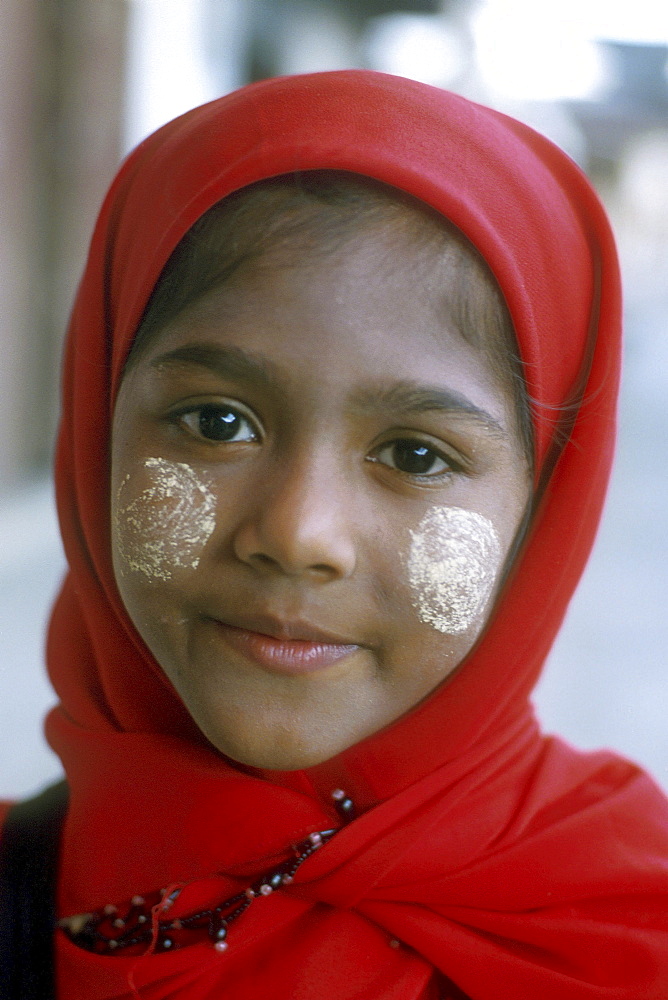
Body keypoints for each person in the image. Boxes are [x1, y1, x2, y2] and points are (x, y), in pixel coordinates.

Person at [2, 69, 668, 999]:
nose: (300, 534)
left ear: (543, 509)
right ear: (97, 427)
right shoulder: (22, 890)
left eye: (417, 455)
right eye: (217, 423)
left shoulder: (628, 930)